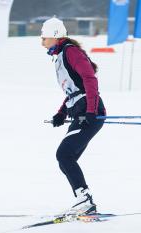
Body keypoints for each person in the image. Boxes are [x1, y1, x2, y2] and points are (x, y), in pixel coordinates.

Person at [41, 17, 106, 215]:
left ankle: (85, 200)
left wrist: (91, 112)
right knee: (65, 160)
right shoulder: (61, 55)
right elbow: (74, 90)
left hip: (89, 112)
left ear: (54, 36)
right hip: (80, 111)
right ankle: (84, 200)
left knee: (64, 155)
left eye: (44, 37)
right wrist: (61, 113)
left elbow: (89, 80)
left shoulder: (70, 51)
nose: (42, 42)